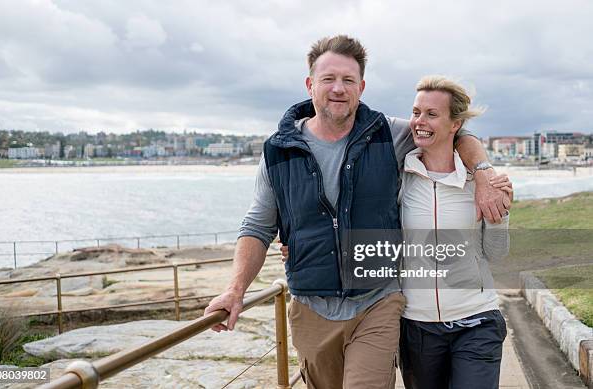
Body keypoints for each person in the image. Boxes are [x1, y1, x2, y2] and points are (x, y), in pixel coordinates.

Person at [204, 35, 509, 389]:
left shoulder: (388, 134)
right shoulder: (278, 151)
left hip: (377, 302)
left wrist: (485, 173)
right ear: (310, 84)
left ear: (361, 87)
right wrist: (236, 290)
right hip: (311, 306)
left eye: (348, 80)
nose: (338, 89)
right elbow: (257, 226)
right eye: (328, 79)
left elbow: (454, 132)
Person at [398, 75, 512, 389]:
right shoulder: (400, 177)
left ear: (455, 125)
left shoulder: (480, 182)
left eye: (432, 114)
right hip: (417, 326)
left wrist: (500, 215)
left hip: (476, 320)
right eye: (416, 112)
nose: (420, 121)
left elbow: (497, 253)